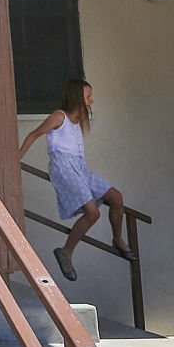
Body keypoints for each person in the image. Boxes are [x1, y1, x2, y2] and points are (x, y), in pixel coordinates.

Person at [19, 77, 132, 283]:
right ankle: (66, 252)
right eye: (88, 96)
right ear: (77, 97)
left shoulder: (77, 121)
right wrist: (16, 158)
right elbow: (34, 135)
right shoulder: (59, 117)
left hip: (80, 167)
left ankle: (117, 238)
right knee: (92, 212)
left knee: (116, 197)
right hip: (63, 167)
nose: (91, 101)